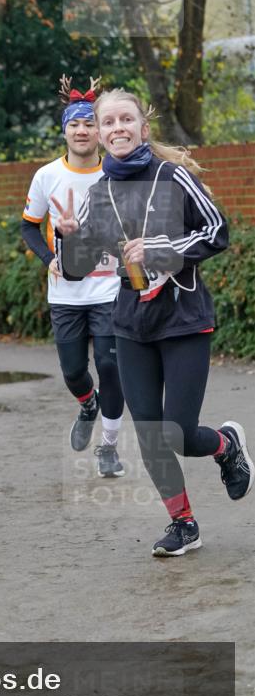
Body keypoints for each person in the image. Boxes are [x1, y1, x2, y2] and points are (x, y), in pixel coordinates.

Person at [53, 88, 253, 556]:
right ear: (99, 135)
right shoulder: (98, 192)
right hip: (131, 321)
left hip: (183, 318)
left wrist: (164, 251)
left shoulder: (172, 176)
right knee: (148, 433)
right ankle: (184, 524)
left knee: (178, 433)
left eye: (126, 120)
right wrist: (69, 239)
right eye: (108, 123)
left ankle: (225, 445)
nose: (117, 128)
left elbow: (217, 231)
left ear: (143, 128)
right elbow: (81, 266)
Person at [21, 76, 125, 476]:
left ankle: (110, 447)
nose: (82, 131)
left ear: (101, 130)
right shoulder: (47, 176)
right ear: (64, 131)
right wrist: (48, 256)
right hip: (65, 292)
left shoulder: (118, 174)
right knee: (73, 371)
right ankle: (87, 404)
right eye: (74, 125)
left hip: (111, 288)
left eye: (89, 124)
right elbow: (29, 226)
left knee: (110, 365)